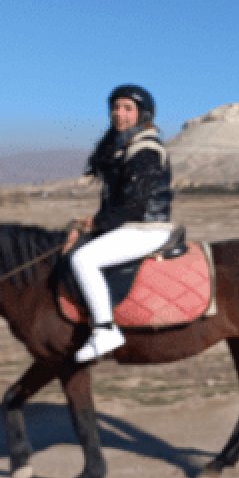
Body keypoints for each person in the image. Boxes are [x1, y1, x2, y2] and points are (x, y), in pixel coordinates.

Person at [66, 84, 174, 363]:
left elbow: (134, 206)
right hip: (129, 226)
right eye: (115, 107)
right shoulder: (124, 148)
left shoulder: (146, 150)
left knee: (83, 259)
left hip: (146, 229)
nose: (119, 113)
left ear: (143, 114)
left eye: (127, 108)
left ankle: (105, 330)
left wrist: (96, 224)